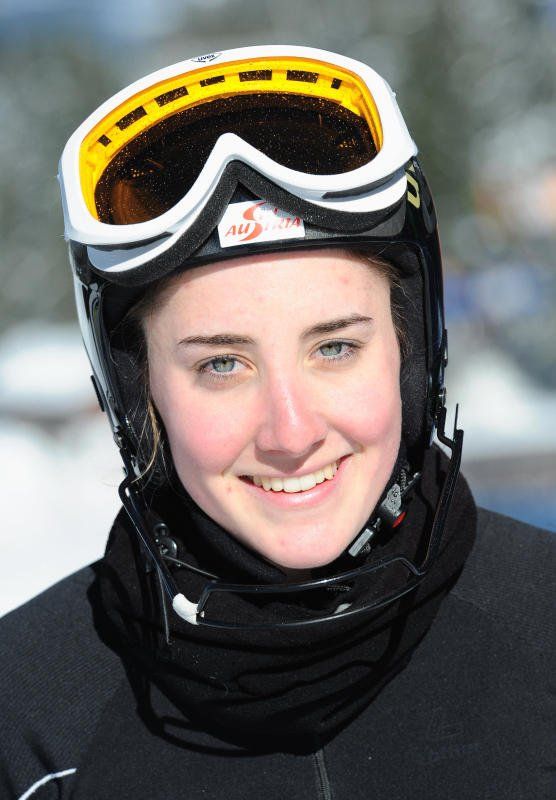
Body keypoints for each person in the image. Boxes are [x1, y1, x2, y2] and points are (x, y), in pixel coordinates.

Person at [1, 45, 553, 800]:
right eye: (222, 364)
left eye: (335, 347)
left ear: (411, 350)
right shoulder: (25, 721)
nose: (290, 435)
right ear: (136, 392)